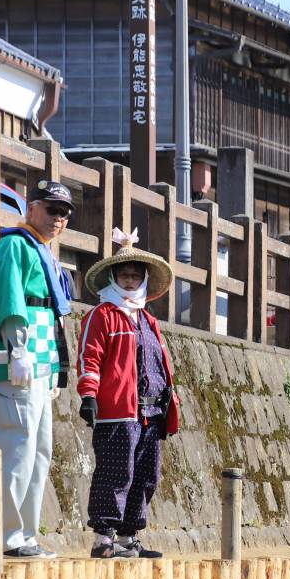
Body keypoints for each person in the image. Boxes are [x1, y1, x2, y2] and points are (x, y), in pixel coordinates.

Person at [0, 180, 75, 558]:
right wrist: (17, 349)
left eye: (63, 214)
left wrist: (54, 368)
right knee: (17, 445)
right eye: (51, 210)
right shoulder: (14, 244)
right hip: (18, 355)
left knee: (38, 449)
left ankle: (25, 534)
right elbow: (9, 296)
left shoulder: (43, 251)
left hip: (40, 360)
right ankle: (10, 536)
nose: (57, 219)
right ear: (32, 209)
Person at [77, 229, 180, 559]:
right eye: (125, 274)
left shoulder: (149, 320)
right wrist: (88, 394)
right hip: (118, 410)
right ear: (113, 277)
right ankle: (104, 537)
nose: (131, 280)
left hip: (151, 413)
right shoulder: (102, 314)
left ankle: (128, 538)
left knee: (146, 475)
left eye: (136, 275)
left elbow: (159, 364)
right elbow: (89, 355)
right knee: (115, 471)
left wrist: (168, 401)